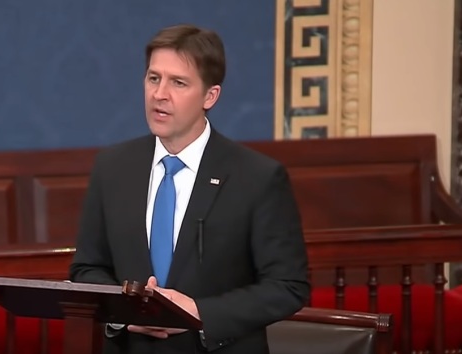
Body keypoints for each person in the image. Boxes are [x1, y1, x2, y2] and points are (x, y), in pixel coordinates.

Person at [69, 23, 309, 354]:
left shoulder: (257, 177)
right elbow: (86, 268)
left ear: (210, 96)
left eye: (178, 83)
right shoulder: (112, 168)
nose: (159, 94)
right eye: (154, 78)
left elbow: (287, 287)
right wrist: (124, 314)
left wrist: (199, 313)